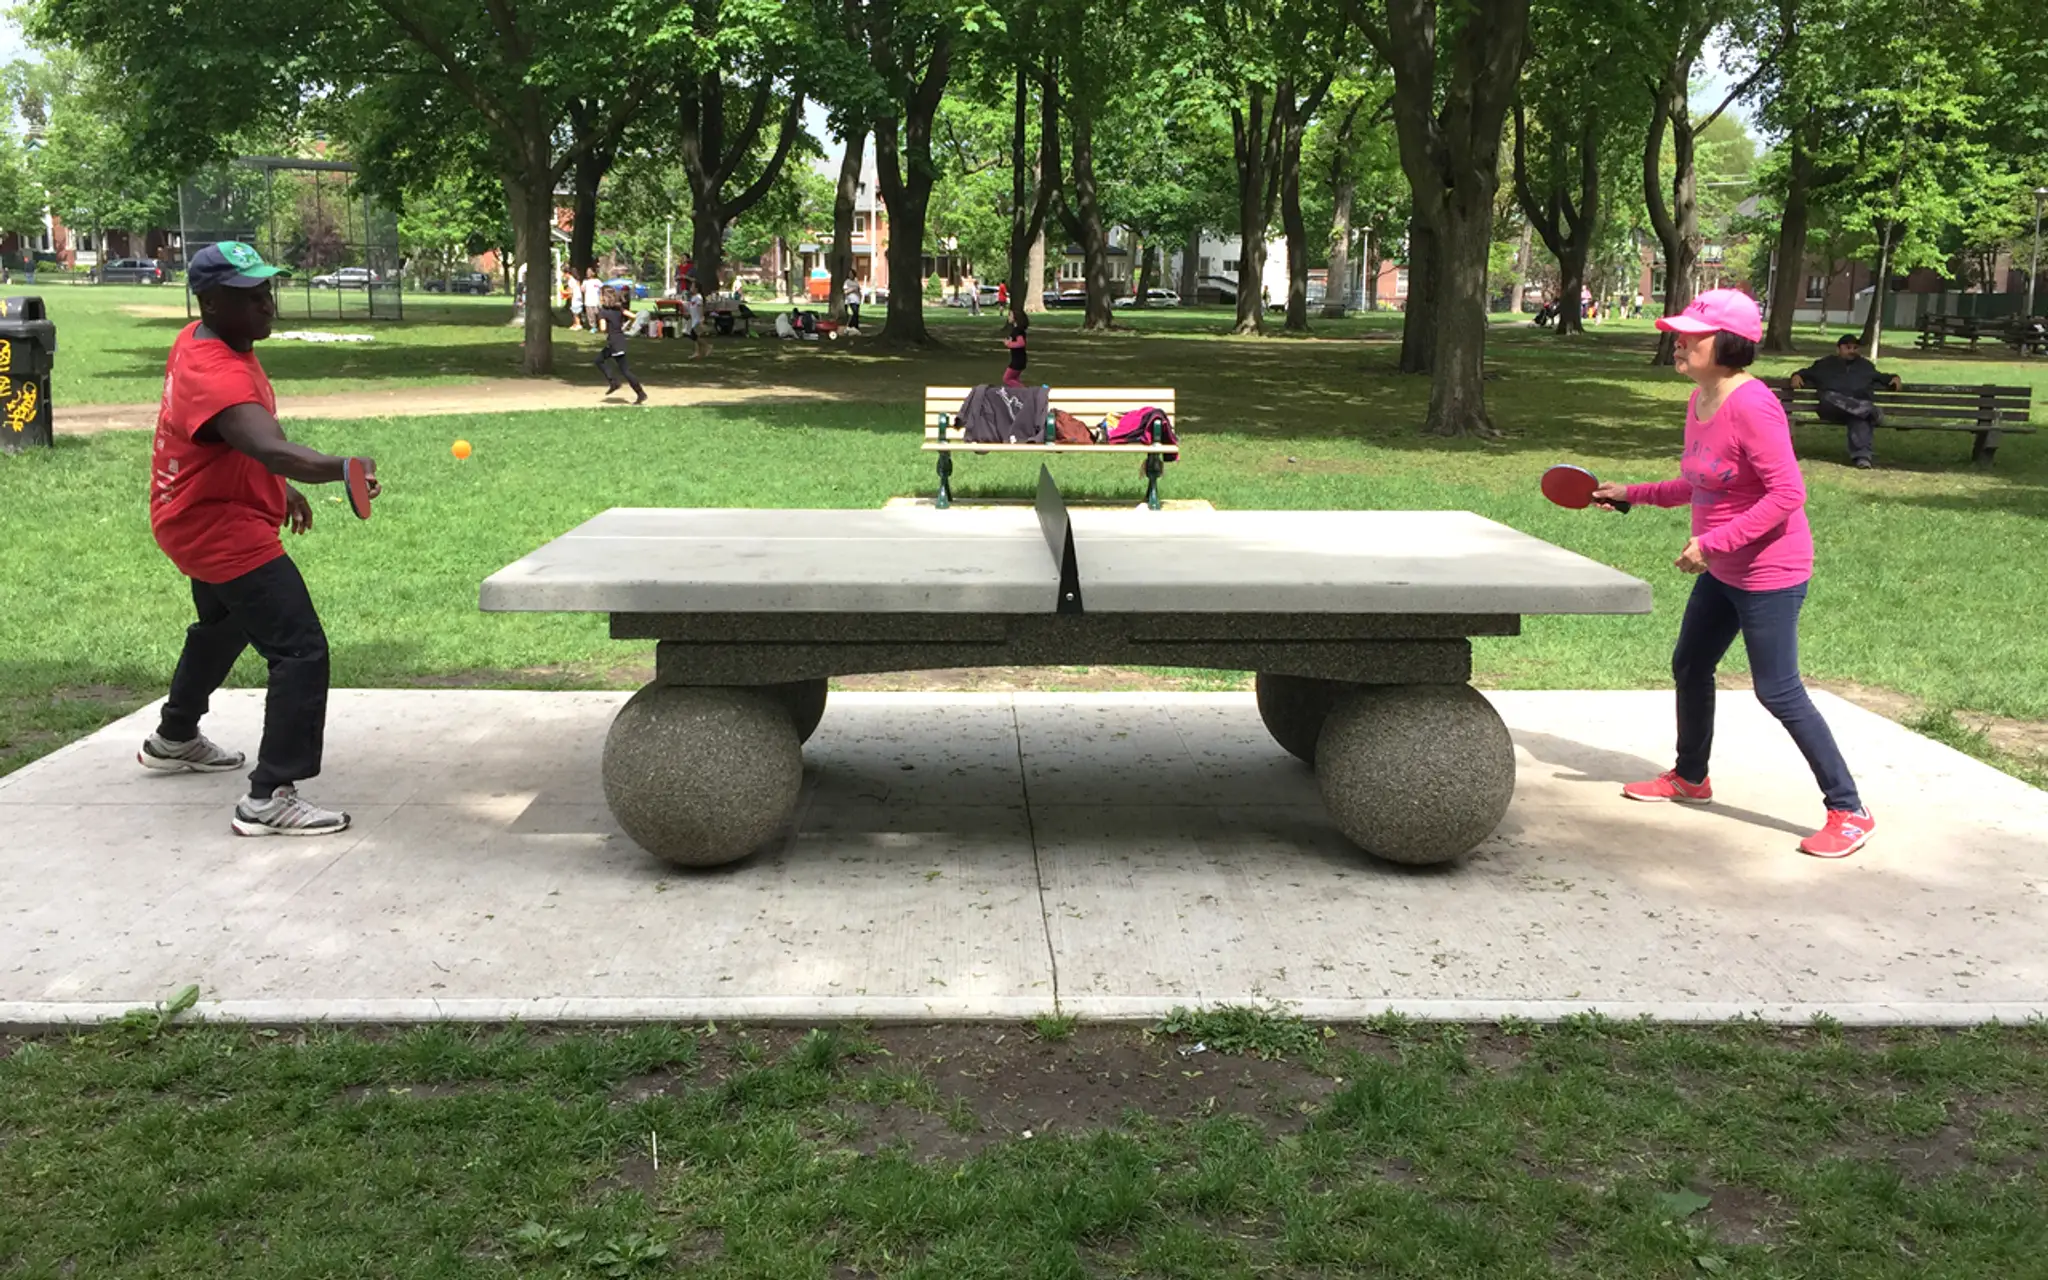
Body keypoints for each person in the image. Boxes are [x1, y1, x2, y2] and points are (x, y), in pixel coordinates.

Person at [1589, 289, 1873, 859]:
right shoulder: (1700, 401)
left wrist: (1713, 543)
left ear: (1730, 344)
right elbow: (1701, 482)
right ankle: (1691, 776)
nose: (1679, 342)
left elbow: (1789, 493)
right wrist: (1631, 495)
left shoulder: (1754, 404)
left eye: (1694, 334)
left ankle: (1849, 809)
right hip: (1724, 567)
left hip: (1771, 568)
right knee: (1691, 664)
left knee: (1778, 689)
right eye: (1679, 332)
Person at [141, 242, 380, 837]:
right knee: (299, 649)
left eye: (267, 292)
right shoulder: (214, 369)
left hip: (192, 513)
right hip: (218, 527)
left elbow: (241, 446)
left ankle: (175, 736)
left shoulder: (206, 338)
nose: (267, 306)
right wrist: (341, 466)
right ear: (212, 301)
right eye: (250, 298)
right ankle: (270, 795)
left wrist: (278, 488)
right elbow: (267, 444)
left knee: (224, 626)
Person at [1789, 333, 1901, 469]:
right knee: (1829, 396)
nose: (1852, 351)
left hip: (1857, 410)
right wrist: (1796, 375)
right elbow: (1805, 373)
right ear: (1838, 349)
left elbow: (1881, 377)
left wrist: (1895, 377)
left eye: (1855, 348)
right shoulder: (1824, 364)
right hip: (1831, 409)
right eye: (1848, 347)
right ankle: (1870, 411)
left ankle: (1862, 457)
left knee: (1859, 418)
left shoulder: (1865, 365)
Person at [593, 287, 647, 404]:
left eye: (601, 296)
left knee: (625, 370)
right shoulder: (619, 309)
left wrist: (602, 323)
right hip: (619, 340)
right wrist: (624, 325)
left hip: (614, 342)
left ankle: (639, 392)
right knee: (599, 359)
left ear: (604, 298)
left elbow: (602, 328)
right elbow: (633, 316)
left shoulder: (603, 312)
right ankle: (614, 382)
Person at [1003, 310, 1029, 388]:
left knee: (1007, 379)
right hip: (1018, 359)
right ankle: (1019, 394)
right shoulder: (1016, 330)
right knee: (1014, 379)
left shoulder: (1018, 331)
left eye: (1010, 315)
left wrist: (1009, 344)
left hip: (1018, 360)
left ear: (1016, 318)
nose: (1008, 317)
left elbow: (1021, 343)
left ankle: (1025, 392)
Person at [686, 289, 709, 359]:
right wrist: (689, 314)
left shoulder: (698, 297)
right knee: (696, 337)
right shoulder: (693, 297)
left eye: (692, 286)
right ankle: (697, 352)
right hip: (694, 319)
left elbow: (700, 307)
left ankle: (707, 346)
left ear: (696, 288)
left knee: (694, 335)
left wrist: (701, 317)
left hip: (697, 320)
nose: (691, 288)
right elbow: (692, 308)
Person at [580, 269, 603, 334]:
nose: (588, 273)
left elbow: (602, 289)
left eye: (589, 272)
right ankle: (593, 327)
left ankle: (600, 326)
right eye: (587, 272)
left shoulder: (597, 281)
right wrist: (582, 288)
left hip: (596, 301)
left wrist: (601, 298)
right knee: (590, 315)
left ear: (593, 273)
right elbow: (582, 290)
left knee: (598, 314)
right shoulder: (585, 281)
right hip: (588, 301)